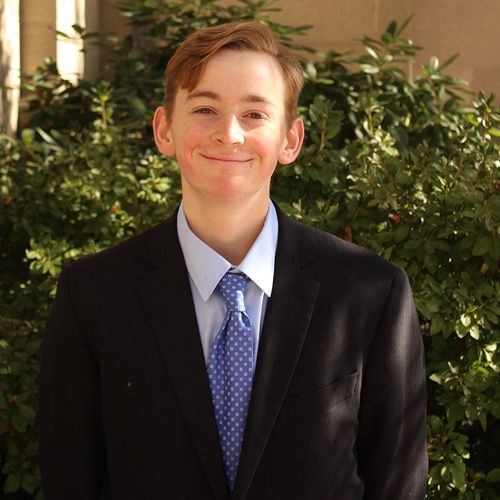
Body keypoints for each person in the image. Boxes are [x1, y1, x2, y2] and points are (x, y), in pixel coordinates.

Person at [38, 21, 428, 499]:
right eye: (205, 108)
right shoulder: (93, 295)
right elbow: (69, 480)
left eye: (255, 114)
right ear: (164, 130)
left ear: (291, 139)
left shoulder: (370, 293)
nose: (229, 133)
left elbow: (398, 483)